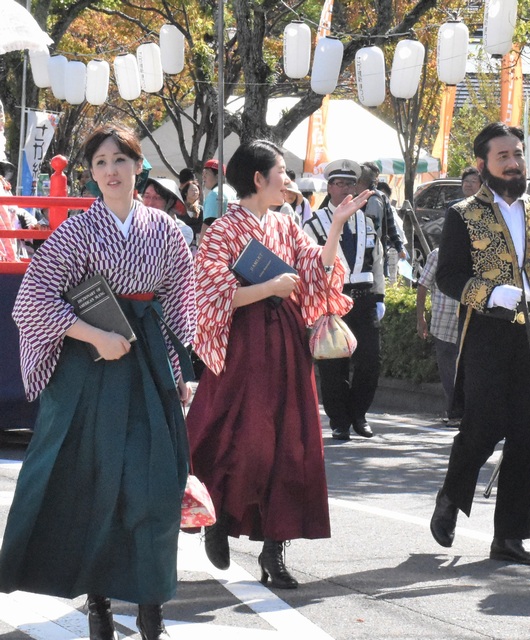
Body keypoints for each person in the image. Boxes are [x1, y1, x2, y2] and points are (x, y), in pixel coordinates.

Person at [0, 124, 196, 640]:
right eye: (101, 163)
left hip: (147, 363)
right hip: (89, 369)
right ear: (91, 173)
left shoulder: (166, 230)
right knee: (90, 482)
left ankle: (151, 603)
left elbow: (178, 302)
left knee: (154, 486)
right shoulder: (77, 231)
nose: (110, 171)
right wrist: (89, 332)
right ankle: (99, 602)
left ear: (139, 166)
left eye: (120, 160)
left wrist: (180, 373)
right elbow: (32, 300)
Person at [187, 140, 370, 589]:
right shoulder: (223, 229)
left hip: (286, 343)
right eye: (281, 172)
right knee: (239, 439)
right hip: (242, 347)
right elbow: (211, 294)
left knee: (292, 443)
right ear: (257, 179)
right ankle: (219, 519)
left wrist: (335, 229)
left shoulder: (287, 225)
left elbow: (315, 273)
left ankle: (274, 549)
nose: (287, 180)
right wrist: (269, 287)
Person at [430, 122, 530, 566]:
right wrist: (490, 293)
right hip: (485, 331)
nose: (513, 162)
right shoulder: (462, 213)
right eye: (503, 157)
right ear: (483, 165)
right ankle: (451, 496)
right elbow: (448, 277)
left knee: (528, 432)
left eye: (517, 154)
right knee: (483, 425)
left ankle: (510, 537)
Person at [304, 159, 385, 440]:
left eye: (350, 183)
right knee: (332, 364)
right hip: (331, 298)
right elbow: (308, 264)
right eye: (339, 184)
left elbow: (377, 261)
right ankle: (339, 421)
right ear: (329, 187)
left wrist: (380, 295)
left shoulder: (368, 221)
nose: (345, 189)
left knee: (370, 361)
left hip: (363, 299)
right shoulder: (314, 223)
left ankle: (359, 414)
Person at [416, 247, 463, 425]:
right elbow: (423, 285)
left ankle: (464, 412)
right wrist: (420, 318)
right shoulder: (437, 254)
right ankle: (455, 413)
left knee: (466, 368)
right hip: (443, 322)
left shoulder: (475, 250)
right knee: (448, 370)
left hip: (467, 320)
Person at [141, 176, 195, 248]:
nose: (150, 203)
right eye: (147, 196)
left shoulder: (182, 230)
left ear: (170, 202)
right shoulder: (136, 225)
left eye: (157, 198)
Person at [201, 158, 237, 226]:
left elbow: (208, 224)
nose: (203, 177)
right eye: (203, 173)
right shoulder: (232, 191)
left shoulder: (214, 194)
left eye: (207, 173)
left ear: (218, 176)